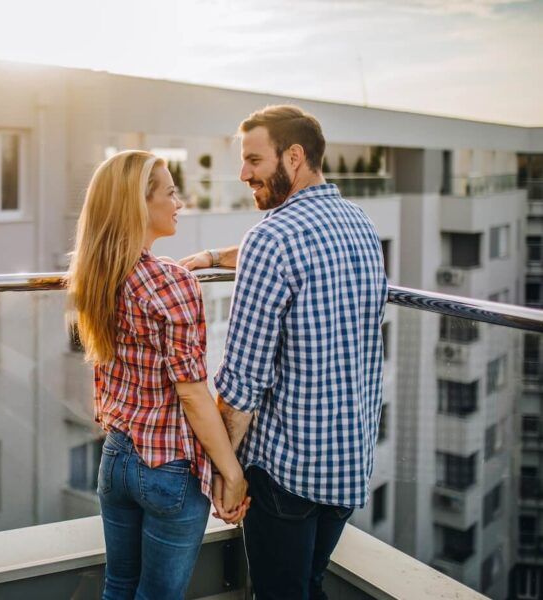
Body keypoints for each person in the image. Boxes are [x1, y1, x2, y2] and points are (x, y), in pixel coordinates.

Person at [180, 105, 388, 600]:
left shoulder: (271, 239)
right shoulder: (359, 224)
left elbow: (241, 387)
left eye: (254, 159)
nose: (243, 173)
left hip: (286, 477)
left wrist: (227, 475)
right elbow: (282, 248)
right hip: (349, 463)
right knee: (309, 586)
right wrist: (215, 256)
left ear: (293, 157)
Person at [66, 150, 250, 600]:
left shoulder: (95, 273)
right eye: (170, 192)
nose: (179, 202)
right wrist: (232, 472)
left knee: (119, 586)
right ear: (138, 205)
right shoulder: (169, 282)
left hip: (116, 457)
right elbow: (192, 395)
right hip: (168, 470)